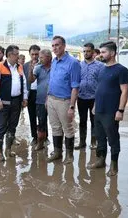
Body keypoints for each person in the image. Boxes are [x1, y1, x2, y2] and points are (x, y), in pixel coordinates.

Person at [87, 41, 128, 177]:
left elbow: (125, 91)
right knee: (99, 137)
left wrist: (120, 110)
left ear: (112, 53)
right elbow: (99, 89)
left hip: (111, 111)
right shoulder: (102, 69)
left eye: (104, 52)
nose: (101, 54)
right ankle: (100, 160)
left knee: (113, 138)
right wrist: (94, 105)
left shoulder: (122, 70)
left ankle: (114, 165)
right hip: (99, 110)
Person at [46, 35, 81, 164]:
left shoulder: (73, 63)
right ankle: (57, 152)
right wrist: (47, 98)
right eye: (53, 45)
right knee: (55, 127)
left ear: (64, 46)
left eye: (57, 45)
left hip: (64, 101)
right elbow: (51, 81)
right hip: (51, 99)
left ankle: (69, 155)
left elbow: (75, 87)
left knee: (68, 128)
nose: (54, 48)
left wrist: (72, 107)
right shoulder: (54, 61)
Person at [0, 45, 28, 161]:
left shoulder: (19, 67)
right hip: (3, 102)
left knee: (13, 126)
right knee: (0, 127)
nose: (18, 56)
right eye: (16, 54)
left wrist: (25, 98)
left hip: (17, 102)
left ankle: (8, 150)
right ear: (10, 55)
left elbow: (24, 84)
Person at [74, 43, 105, 150]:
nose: (86, 53)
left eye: (88, 51)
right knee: (82, 121)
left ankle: (93, 142)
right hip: (81, 97)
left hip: (94, 98)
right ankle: (82, 142)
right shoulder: (79, 65)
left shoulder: (100, 66)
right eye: (84, 51)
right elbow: (75, 81)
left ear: (93, 52)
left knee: (94, 121)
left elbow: (102, 83)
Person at [27, 49, 51, 151]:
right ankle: (40, 142)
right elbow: (31, 80)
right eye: (38, 57)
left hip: (54, 99)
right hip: (40, 100)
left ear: (49, 57)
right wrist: (30, 70)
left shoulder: (56, 67)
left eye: (41, 57)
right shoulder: (37, 68)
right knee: (41, 122)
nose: (38, 59)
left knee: (56, 123)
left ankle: (57, 145)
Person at [23, 45, 40, 146]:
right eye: (32, 54)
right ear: (29, 54)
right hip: (30, 93)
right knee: (32, 115)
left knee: (42, 116)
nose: (34, 56)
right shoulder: (25, 66)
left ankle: (44, 136)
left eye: (36, 54)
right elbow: (24, 82)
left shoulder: (44, 64)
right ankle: (34, 137)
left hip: (41, 93)